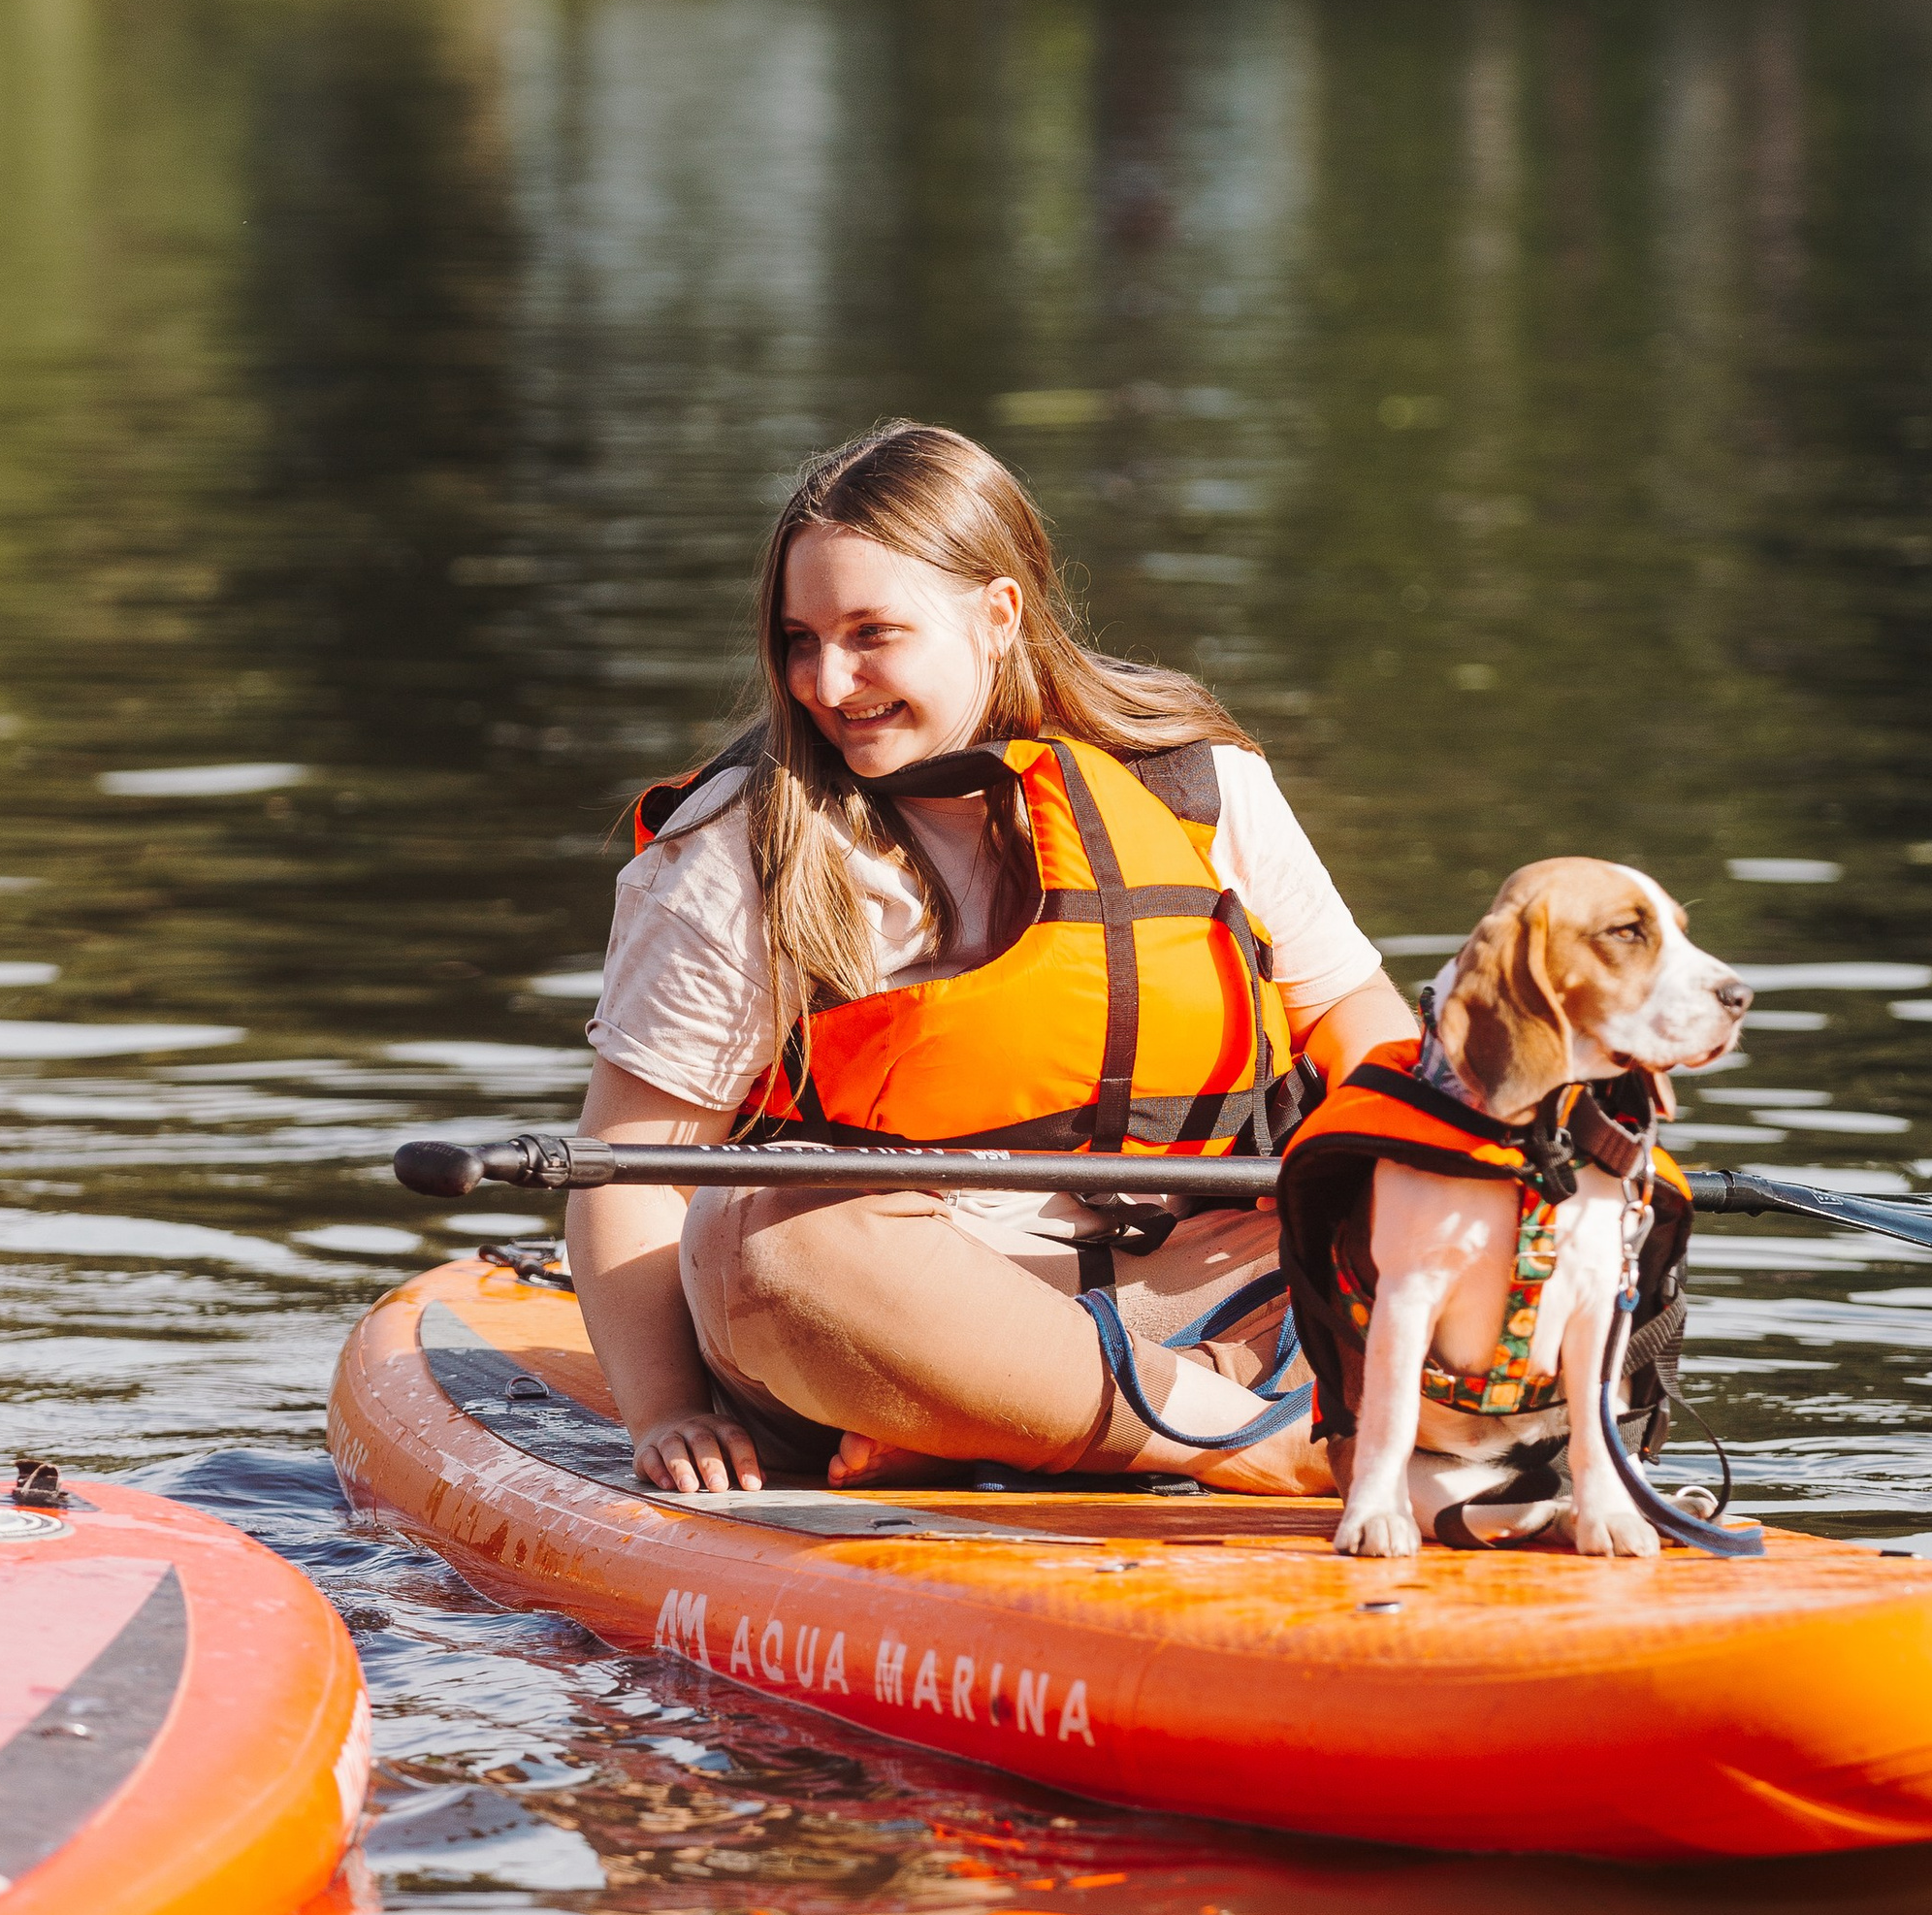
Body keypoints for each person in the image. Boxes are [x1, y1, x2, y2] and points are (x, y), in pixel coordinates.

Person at [569, 423, 1413, 1503]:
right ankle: (1237, 1438)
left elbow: (1366, 1035)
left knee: (1482, 1166)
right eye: (798, 639)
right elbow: (629, 1172)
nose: (829, 682)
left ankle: (1015, 1428)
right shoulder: (739, 845)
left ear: (998, 614)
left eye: (873, 634)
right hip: (878, 1317)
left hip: (1196, 1288)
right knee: (766, 1233)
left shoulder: (1195, 786)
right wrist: (668, 1413)